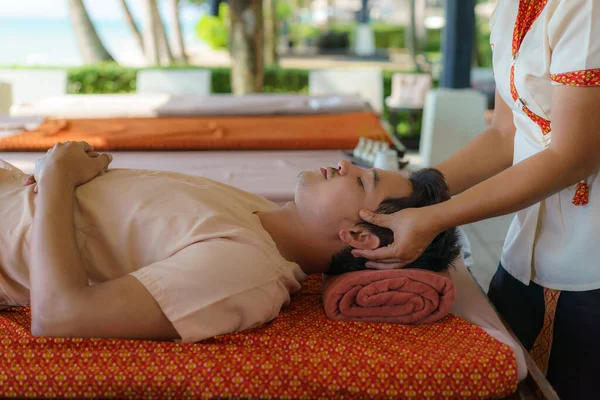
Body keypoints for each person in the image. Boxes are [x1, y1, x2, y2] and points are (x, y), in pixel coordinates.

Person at [351, 1, 600, 399]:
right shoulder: (509, 10)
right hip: (523, 256)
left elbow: (573, 156)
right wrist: (416, 192)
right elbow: (505, 134)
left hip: (590, 262)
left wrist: (435, 217)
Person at [0, 141, 459, 343]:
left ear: (358, 236)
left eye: (362, 182)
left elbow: (61, 315)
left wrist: (58, 177)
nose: (345, 165)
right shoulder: (256, 211)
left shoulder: (247, 270)